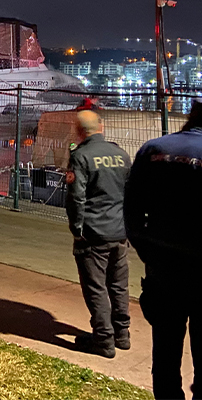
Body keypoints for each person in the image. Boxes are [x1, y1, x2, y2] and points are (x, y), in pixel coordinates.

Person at [124, 98, 202, 399]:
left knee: (165, 354)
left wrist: (148, 252)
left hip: (163, 273)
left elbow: (131, 210)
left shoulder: (152, 151)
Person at [65, 110, 131, 358]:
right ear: (101, 127)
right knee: (118, 285)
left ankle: (103, 339)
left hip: (93, 233)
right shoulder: (121, 155)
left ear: (79, 131)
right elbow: (130, 193)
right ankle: (122, 334)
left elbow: (76, 197)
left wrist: (77, 229)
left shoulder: (80, 157)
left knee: (96, 288)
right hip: (119, 232)